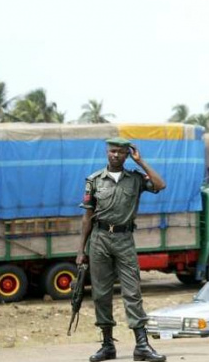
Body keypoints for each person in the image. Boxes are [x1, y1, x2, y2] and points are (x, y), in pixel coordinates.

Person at [76, 138, 167, 362]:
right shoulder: (94, 181)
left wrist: (142, 161)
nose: (115, 155)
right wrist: (81, 250)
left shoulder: (135, 179)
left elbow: (160, 185)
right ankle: (107, 345)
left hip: (124, 239)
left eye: (121, 152)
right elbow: (87, 217)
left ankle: (142, 346)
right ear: (107, 152)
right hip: (99, 239)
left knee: (132, 292)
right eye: (112, 151)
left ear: (128, 155)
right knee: (101, 293)